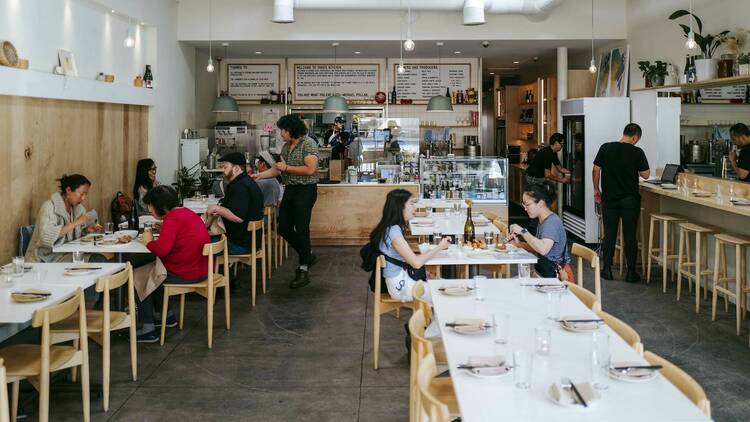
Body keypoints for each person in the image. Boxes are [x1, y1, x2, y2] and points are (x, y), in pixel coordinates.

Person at [252, 114, 319, 289]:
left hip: (305, 190)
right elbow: (277, 170)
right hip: (290, 189)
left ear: (291, 130)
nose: (281, 133)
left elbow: (310, 169)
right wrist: (259, 176)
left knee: (302, 228)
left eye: (283, 130)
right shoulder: (286, 147)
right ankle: (308, 254)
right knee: (284, 228)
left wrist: (287, 168)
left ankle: (303, 269)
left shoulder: (308, 144)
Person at [136, 185, 210, 343]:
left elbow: (162, 250)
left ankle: (148, 328)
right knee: (153, 270)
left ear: (161, 206)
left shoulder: (172, 218)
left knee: (140, 274)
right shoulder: (185, 213)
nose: (149, 210)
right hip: (200, 269)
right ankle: (166, 316)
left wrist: (148, 241)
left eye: (151, 206)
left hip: (185, 273)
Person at [592, 123, 651, 282]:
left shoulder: (606, 148)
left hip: (609, 199)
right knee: (630, 235)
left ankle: (607, 269)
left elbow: (595, 170)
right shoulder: (637, 151)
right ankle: (631, 272)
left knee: (610, 233)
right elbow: (646, 175)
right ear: (635, 137)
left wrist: (596, 189)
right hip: (630, 200)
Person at [369, 189, 450, 302]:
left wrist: (425, 274)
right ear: (400, 207)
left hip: (401, 278)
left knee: (444, 284)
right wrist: (440, 246)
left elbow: (404, 259)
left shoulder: (390, 227)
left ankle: (430, 317)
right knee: (444, 291)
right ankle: (433, 318)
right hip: (400, 287)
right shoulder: (394, 232)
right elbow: (416, 263)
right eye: (411, 203)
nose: (415, 208)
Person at [25, 174, 103, 263]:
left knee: (98, 259)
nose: (83, 198)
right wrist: (77, 222)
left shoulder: (78, 209)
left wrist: (87, 231)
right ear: (68, 190)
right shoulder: (49, 207)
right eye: (81, 194)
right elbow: (46, 237)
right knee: (97, 260)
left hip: (68, 254)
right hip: (46, 258)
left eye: (86, 194)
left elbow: (73, 236)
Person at [508, 183, 572, 280]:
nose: (524, 208)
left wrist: (523, 231)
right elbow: (540, 247)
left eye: (527, 204)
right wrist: (519, 244)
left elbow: (543, 249)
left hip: (557, 279)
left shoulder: (551, 223)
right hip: (545, 274)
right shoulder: (543, 220)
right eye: (523, 204)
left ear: (541, 203)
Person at [207, 152, 264, 257]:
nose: (222, 171)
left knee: (198, 244)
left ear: (236, 168)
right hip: (248, 240)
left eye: (225, 167)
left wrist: (217, 209)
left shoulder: (240, 187)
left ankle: (218, 272)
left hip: (240, 244)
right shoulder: (245, 182)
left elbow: (238, 217)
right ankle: (224, 271)